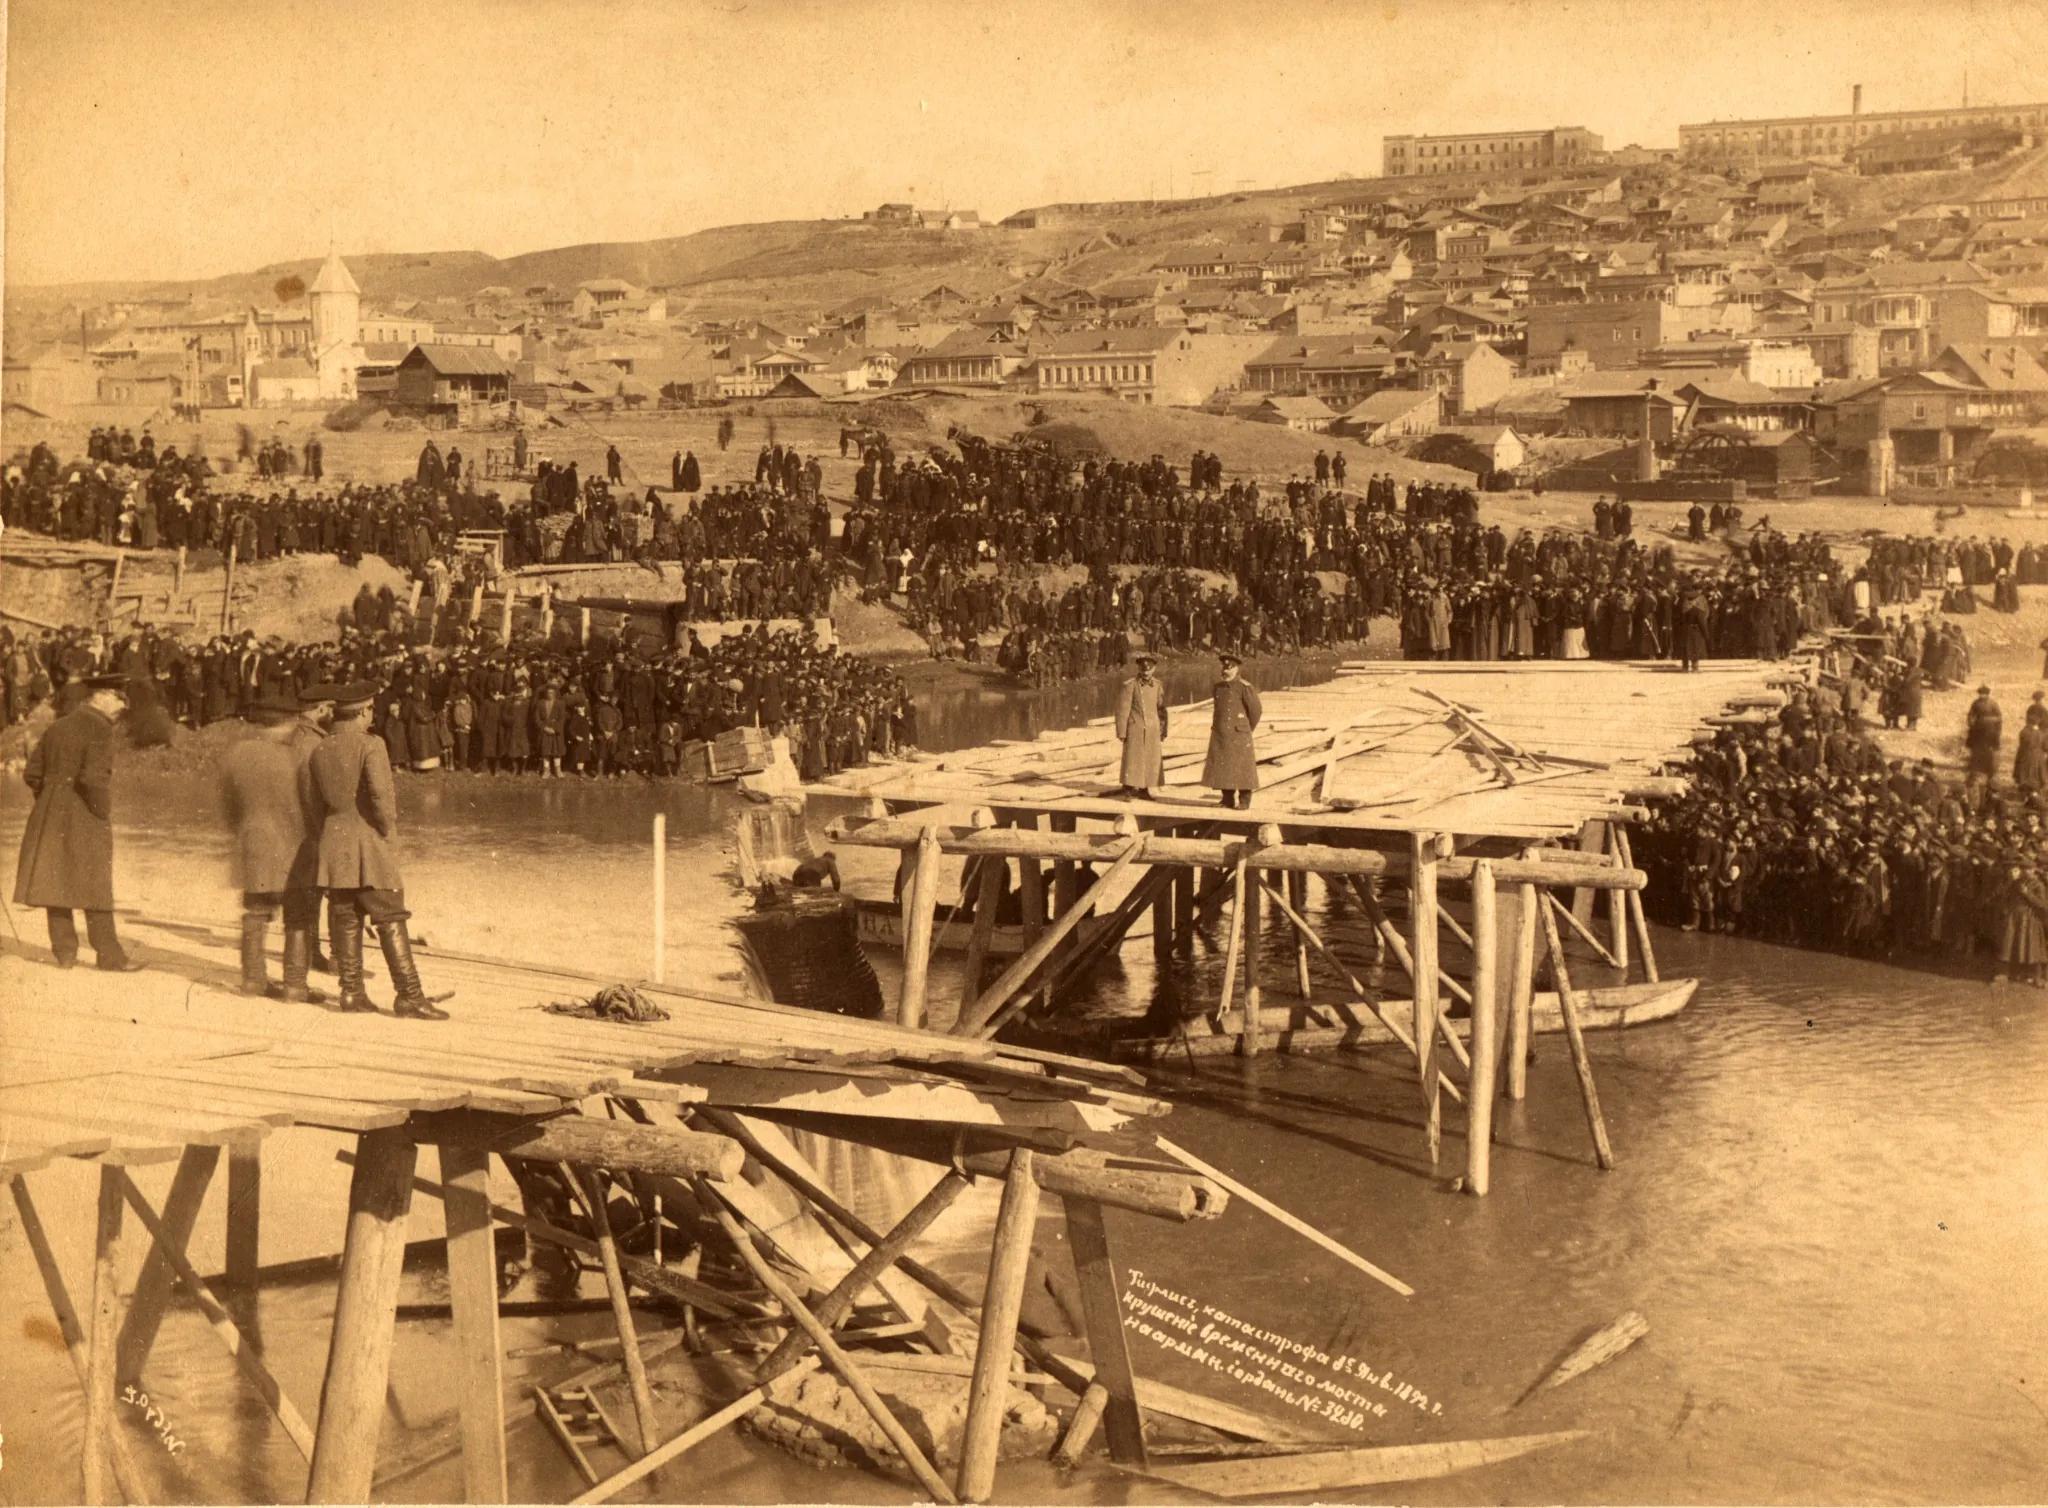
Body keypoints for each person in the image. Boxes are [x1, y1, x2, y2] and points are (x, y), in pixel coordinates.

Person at [302, 681, 451, 1019]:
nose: (373, 714)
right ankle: (409, 996)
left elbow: (312, 805)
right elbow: (383, 799)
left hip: (333, 842)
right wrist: (387, 832)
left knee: (346, 918)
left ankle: (352, 993)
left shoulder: (320, 749)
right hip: (367, 842)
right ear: (363, 712)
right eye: (371, 709)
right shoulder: (372, 745)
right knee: (391, 916)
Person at [13, 672, 145, 971]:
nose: (122, 706)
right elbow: (92, 779)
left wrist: (50, 798)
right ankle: (109, 956)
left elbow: (32, 774)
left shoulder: (57, 727)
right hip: (84, 813)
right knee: (95, 884)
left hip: (48, 812)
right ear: (100, 697)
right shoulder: (100, 728)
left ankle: (65, 954)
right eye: (118, 698)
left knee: (54, 880)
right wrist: (102, 811)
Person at [218, 687, 323, 1000]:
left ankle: (252, 981)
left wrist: (244, 833)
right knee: (298, 917)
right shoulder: (295, 756)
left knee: (255, 914)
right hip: (293, 848)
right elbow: (310, 803)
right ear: (288, 722)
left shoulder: (236, 755)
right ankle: (295, 986)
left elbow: (228, 808)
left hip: (252, 846)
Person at [1203, 651, 1262, 809]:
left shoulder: (1245, 687)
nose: (1226, 671)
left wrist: (1246, 729)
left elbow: (1255, 711)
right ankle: (1227, 800)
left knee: (1243, 767)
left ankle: (1244, 801)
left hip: (1239, 733)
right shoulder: (1218, 688)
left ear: (1237, 669)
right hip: (1221, 734)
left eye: (1230, 668)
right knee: (1223, 767)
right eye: (1224, 668)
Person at [1112, 650, 1167, 800]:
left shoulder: (1157, 685)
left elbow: (1161, 709)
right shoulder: (1130, 685)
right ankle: (1128, 789)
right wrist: (1122, 731)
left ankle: (1145, 789)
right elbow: (1123, 710)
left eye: (1149, 670)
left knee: (1150, 759)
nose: (1146, 673)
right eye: (1144, 670)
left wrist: (1163, 729)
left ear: (1154, 669)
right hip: (1135, 727)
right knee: (1132, 759)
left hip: (1152, 728)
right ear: (1139, 669)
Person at [1965, 685, 2003, 801]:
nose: (1982, 695)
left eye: (1984, 694)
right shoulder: (1976, 703)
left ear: (1987, 694)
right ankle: (1977, 766)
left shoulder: (1993, 704)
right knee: (1977, 748)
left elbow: (1999, 717)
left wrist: (1996, 728)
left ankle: (1989, 768)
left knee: (1990, 750)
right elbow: (1971, 715)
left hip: (1990, 730)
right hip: (1978, 729)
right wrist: (1971, 723)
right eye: (1980, 693)